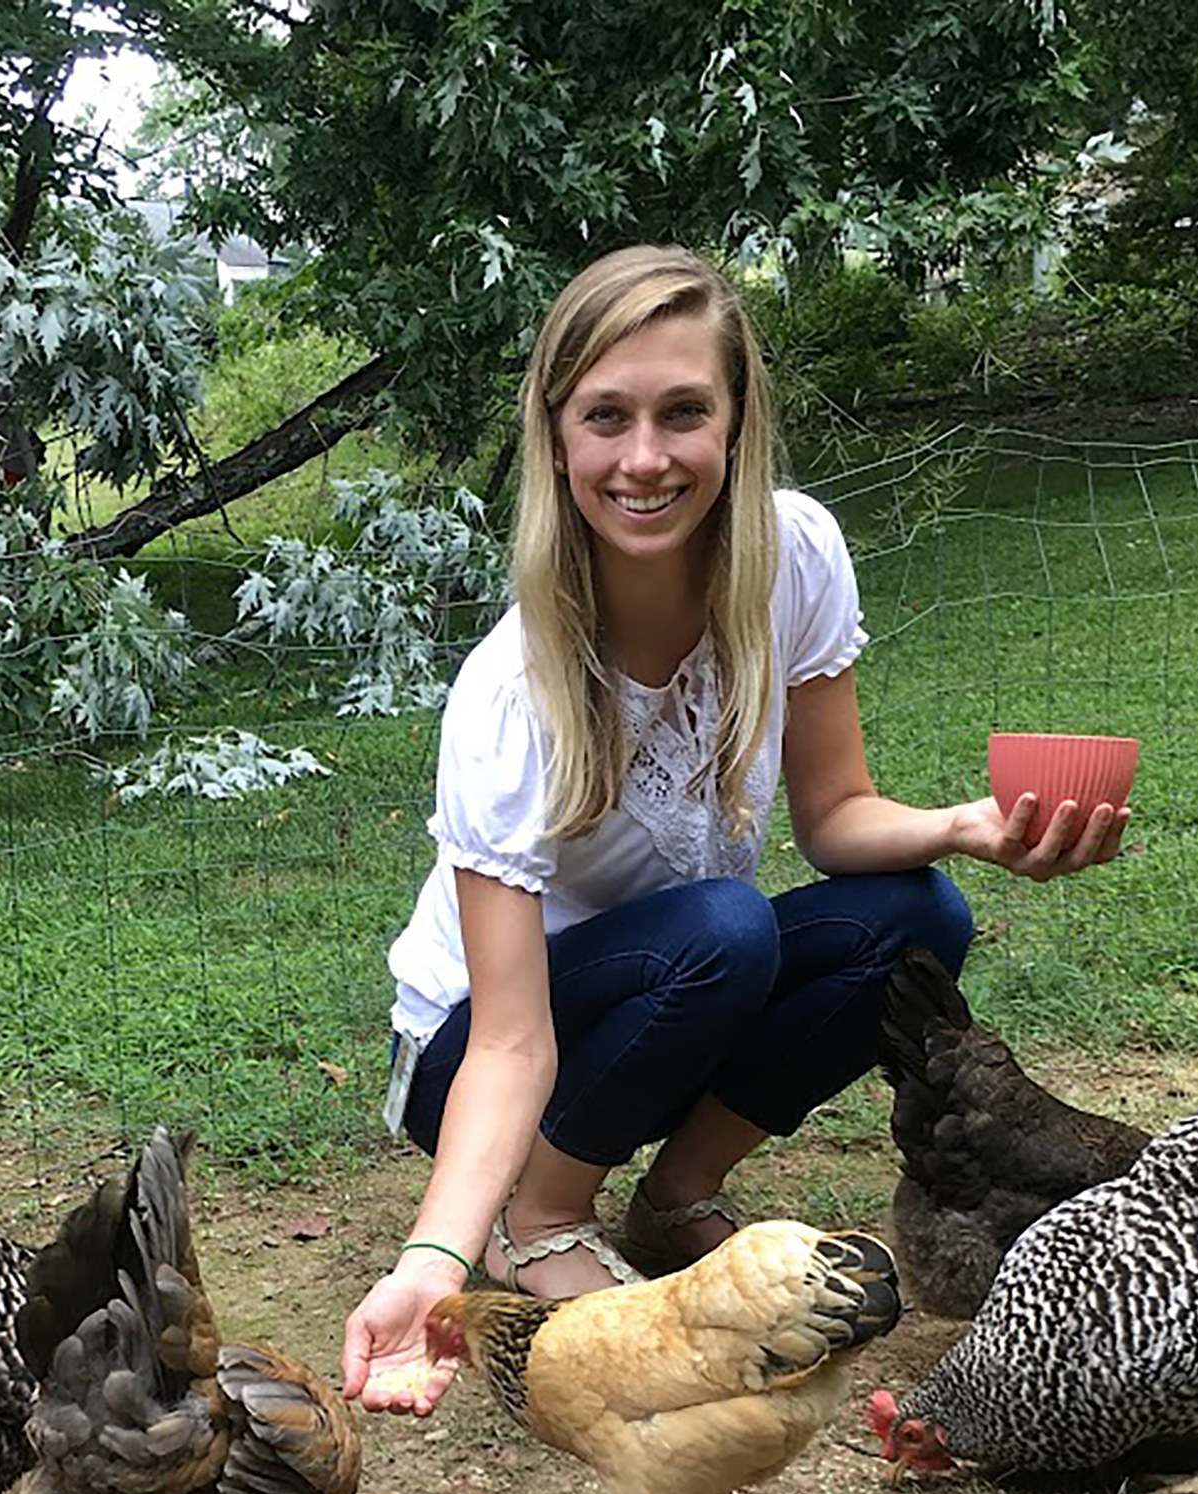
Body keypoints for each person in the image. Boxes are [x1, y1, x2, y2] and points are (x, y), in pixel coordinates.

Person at [341, 244, 1129, 1416]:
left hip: (676, 1003)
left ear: (737, 420)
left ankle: (672, 1201)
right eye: (605, 417)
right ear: (555, 437)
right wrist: (432, 1261)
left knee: (915, 917)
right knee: (723, 928)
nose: (644, 458)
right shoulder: (512, 691)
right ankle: (539, 1218)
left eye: (683, 412)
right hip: (472, 1055)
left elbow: (837, 818)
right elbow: (508, 1041)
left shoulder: (793, 557)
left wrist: (967, 824)